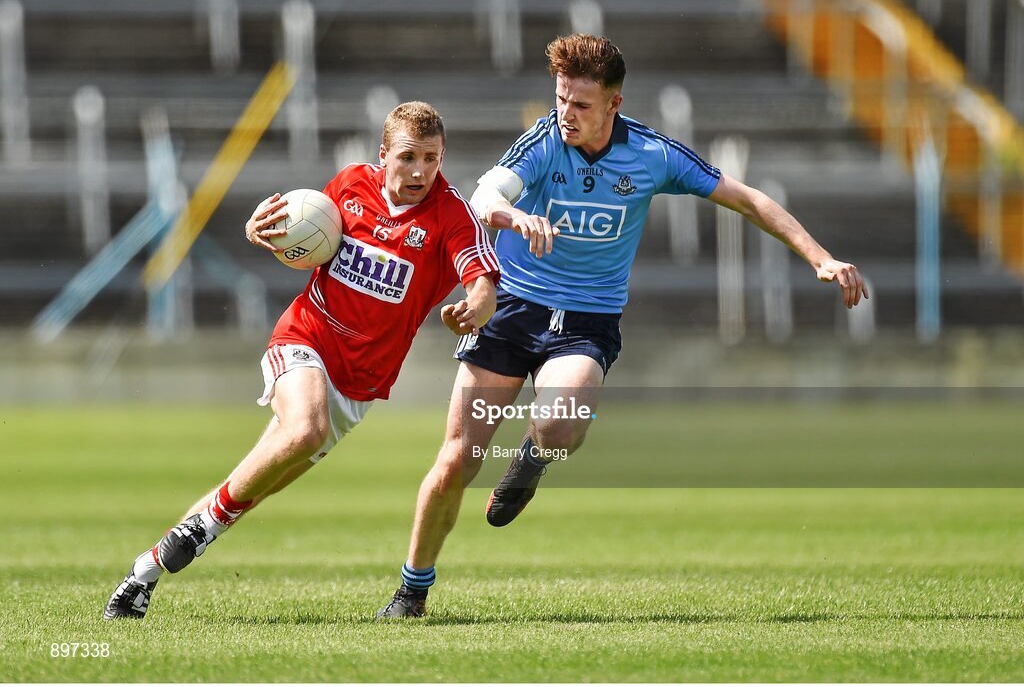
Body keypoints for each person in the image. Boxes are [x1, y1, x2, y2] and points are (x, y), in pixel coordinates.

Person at [375, 35, 868, 619]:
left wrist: (818, 257)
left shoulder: (652, 155)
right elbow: (484, 196)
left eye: (581, 105)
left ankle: (532, 458)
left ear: (614, 104)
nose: (566, 115)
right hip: (511, 311)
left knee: (562, 422)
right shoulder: (541, 144)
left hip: (586, 321)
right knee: (458, 459)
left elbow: (746, 198)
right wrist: (517, 215)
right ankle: (412, 591)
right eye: (560, 99)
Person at [103, 101, 500, 620]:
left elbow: (483, 282)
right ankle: (192, 534)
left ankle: (144, 573)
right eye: (408, 157)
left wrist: (475, 308)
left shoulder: (450, 214)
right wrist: (260, 231)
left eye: (432, 158)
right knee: (305, 428)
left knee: (249, 486)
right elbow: (298, 234)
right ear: (384, 156)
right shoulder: (349, 184)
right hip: (305, 336)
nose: (421, 171)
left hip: (358, 387)